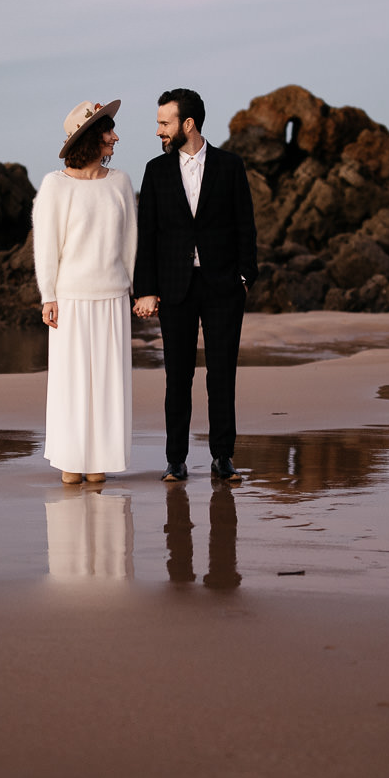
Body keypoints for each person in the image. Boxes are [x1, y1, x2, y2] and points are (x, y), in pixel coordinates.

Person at [132, 88, 258, 482]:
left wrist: (244, 278)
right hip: (175, 287)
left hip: (223, 285)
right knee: (178, 375)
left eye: (164, 123)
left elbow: (245, 226)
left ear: (188, 124)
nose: (158, 131)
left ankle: (223, 457)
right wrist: (146, 289)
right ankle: (176, 460)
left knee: (221, 374)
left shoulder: (230, 165)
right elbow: (147, 234)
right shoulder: (155, 171)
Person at [33, 100, 137, 485]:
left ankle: (101, 460)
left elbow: (130, 244)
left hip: (112, 297)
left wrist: (133, 290)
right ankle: (70, 461)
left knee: (109, 385)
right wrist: (48, 296)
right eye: (108, 131)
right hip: (71, 301)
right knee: (71, 385)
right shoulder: (55, 185)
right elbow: (46, 246)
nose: (115, 137)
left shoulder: (121, 182)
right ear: (90, 137)